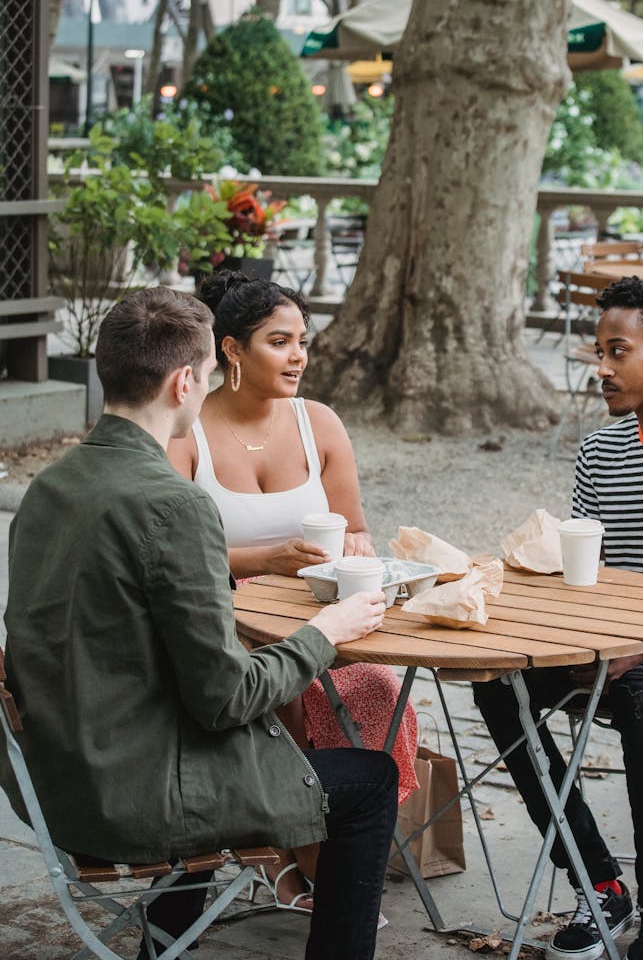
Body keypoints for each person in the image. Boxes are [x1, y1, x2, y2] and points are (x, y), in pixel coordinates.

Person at [1, 287, 398, 960]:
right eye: (210, 370)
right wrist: (325, 629)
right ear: (185, 381)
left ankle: (165, 944)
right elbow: (226, 697)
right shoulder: (175, 506)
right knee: (369, 779)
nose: (210, 384)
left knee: (223, 755)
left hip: (56, 782)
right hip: (131, 797)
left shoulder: (50, 486)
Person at [475, 276, 643, 960]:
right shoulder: (600, 454)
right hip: (619, 644)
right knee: (495, 681)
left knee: (642, 687)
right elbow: (590, 578)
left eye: (617, 350)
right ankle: (596, 877)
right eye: (598, 351)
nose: (600, 368)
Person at [167, 271, 418, 910]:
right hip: (218, 616)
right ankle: (297, 863)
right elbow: (171, 557)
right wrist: (268, 557)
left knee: (375, 691)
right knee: (285, 696)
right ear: (231, 350)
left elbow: (356, 527)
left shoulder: (320, 424)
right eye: (280, 341)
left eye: (303, 340)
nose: (300, 355)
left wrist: (356, 551)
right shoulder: (186, 434)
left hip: (315, 610)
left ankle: (324, 855)